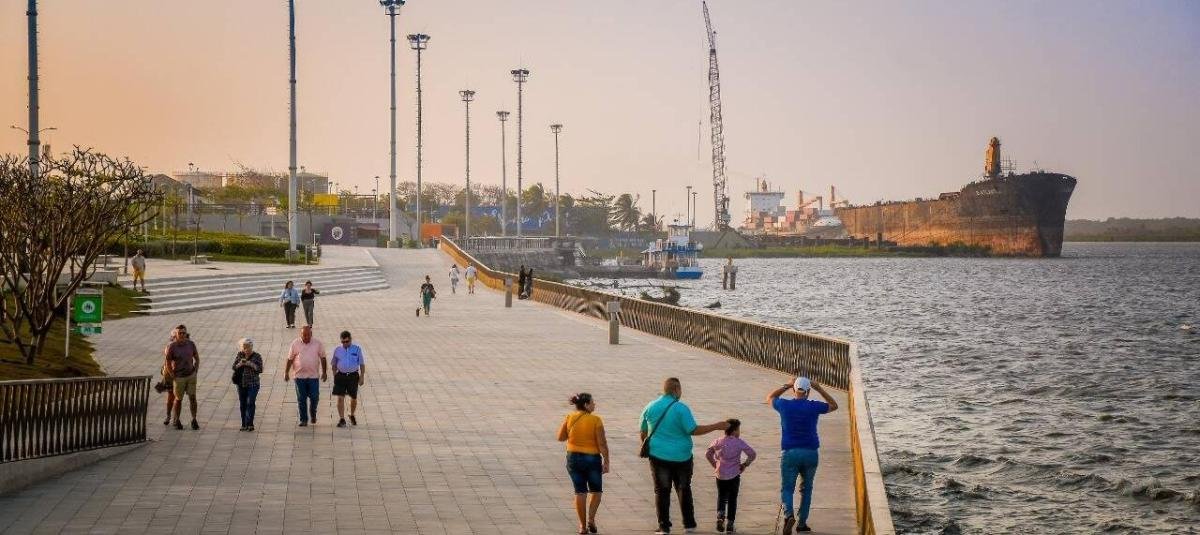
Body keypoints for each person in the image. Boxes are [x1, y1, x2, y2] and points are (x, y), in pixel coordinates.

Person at [639, 377, 730, 534]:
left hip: (658, 456)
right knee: (684, 488)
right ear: (676, 389)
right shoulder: (681, 408)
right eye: (680, 389)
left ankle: (664, 527)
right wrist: (716, 426)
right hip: (682, 457)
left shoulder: (650, 406)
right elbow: (693, 430)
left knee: (661, 490)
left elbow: (643, 431)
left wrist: (653, 446)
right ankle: (688, 524)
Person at [767, 376, 839, 533]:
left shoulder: (784, 405)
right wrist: (819, 388)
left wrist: (787, 384)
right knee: (807, 489)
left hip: (790, 452)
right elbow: (834, 405)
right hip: (811, 453)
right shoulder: (814, 406)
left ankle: (788, 515)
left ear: (794, 390)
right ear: (808, 391)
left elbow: (770, 397)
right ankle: (801, 525)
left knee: (787, 488)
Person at [557, 393, 610, 535]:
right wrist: (606, 461)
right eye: (593, 402)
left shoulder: (569, 417)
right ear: (586, 405)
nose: (594, 404)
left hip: (573, 458)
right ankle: (591, 519)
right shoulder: (596, 420)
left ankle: (582, 526)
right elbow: (602, 443)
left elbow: (560, 437)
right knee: (596, 491)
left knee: (580, 492)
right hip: (592, 459)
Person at [705, 419, 756, 533]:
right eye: (738, 429)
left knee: (721, 496)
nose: (739, 432)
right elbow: (752, 454)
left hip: (720, 475)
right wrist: (745, 465)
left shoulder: (718, 441)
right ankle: (730, 524)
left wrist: (715, 465)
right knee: (733, 499)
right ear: (734, 431)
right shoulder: (739, 442)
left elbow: (708, 454)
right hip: (734, 475)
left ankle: (720, 517)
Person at [284, 325, 328, 427]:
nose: (306, 337)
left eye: (308, 335)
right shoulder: (295, 343)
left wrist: (324, 372)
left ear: (311, 334)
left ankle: (313, 413)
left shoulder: (318, 344)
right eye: (304, 335)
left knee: (314, 397)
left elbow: (323, 358)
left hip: (313, 376)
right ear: (300, 335)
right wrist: (286, 372)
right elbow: (290, 359)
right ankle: (303, 419)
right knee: (301, 398)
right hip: (299, 377)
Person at [164, 324, 201, 430]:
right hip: (179, 377)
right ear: (176, 334)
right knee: (178, 399)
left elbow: (197, 357)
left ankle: (194, 419)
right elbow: (167, 361)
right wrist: (171, 374)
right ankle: (177, 420)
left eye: (183, 333)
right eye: (179, 333)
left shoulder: (191, 344)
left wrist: (196, 369)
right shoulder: (172, 346)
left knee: (192, 397)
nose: (182, 335)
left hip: (190, 375)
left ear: (186, 334)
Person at [331, 330, 366, 428]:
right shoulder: (337, 350)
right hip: (341, 376)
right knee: (340, 398)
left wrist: (362, 376)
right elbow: (334, 364)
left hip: (353, 376)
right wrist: (335, 375)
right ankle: (342, 419)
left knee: (353, 397)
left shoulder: (357, 349)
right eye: (343, 342)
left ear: (350, 339)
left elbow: (362, 364)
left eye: (347, 341)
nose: (345, 344)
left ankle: (352, 414)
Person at [231, 338, 263, 431]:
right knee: (243, 404)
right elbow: (234, 367)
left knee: (250, 402)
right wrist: (240, 363)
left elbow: (260, 369)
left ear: (252, 347)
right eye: (244, 347)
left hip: (253, 384)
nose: (247, 349)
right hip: (241, 384)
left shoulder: (257, 356)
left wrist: (250, 364)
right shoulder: (240, 355)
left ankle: (250, 424)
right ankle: (244, 424)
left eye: (248, 347)